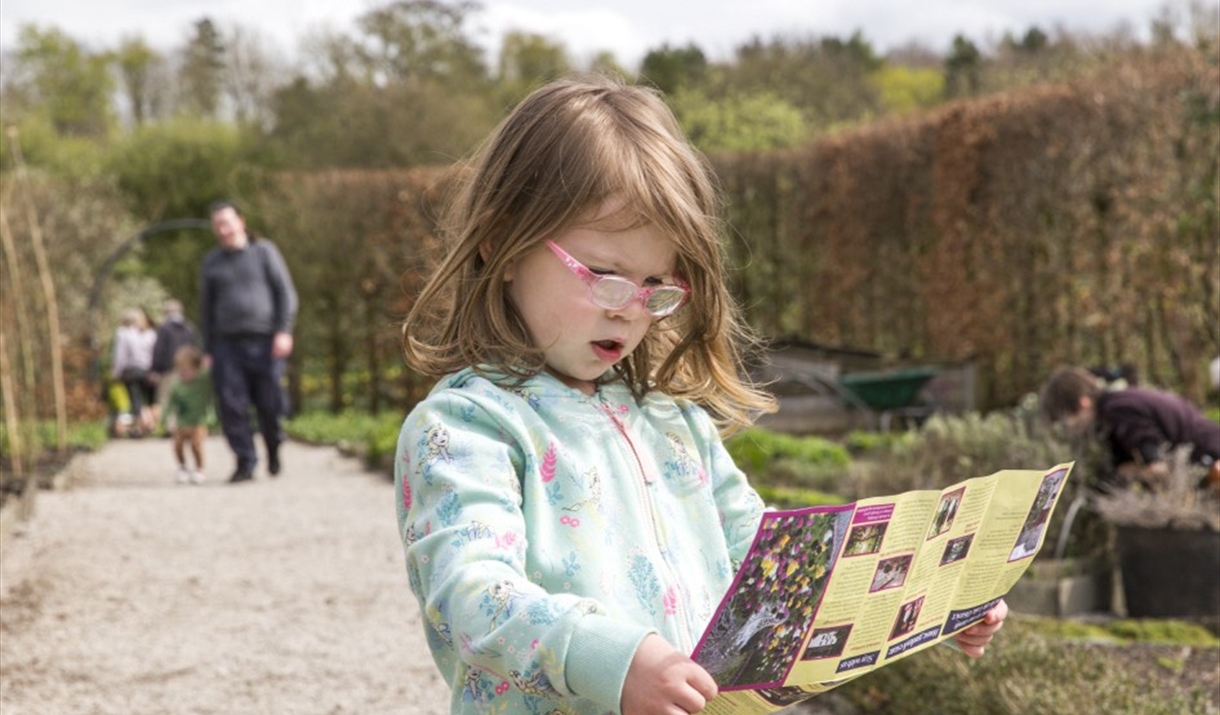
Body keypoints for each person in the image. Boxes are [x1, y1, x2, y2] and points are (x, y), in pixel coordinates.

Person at [394, 75, 1008, 715]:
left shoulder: (674, 422)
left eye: (656, 283)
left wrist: (920, 602)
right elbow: (470, 594)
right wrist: (617, 660)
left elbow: (770, 572)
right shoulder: (467, 427)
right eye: (604, 276)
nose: (632, 310)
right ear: (502, 244)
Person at [200, 199, 298, 483]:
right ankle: (245, 461)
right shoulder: (212, 263)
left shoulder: (264, 252)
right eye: (217, 225)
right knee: (231, 405)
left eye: (226, 222)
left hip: (266, 341)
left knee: (270, 403)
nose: (223, 229)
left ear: (240, 222)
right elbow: (206, 310)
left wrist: (284, 330)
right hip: (227, 345)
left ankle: (273, 447)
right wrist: (208, 348)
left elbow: (286, 293)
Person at [1040, 365, 1220, 489]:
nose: (1068, 428)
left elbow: (1157, 468)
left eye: (1066, 419)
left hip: (1211, 462)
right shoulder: (1114, 407)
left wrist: (1134, 473)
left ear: (1083, 403)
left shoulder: (1120, 411)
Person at [162, 346, 212, 485]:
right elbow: (170, 402)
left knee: (196, 445)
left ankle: (199, 469)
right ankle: (182, 467)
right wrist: (164, 417)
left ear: (197, 369)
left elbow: (210, 372)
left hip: (199, 421)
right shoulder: (177, 385)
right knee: (177, 445)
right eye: (180, 370)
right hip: (182, 421)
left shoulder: (203, 382)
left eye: (186, 370)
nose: (182, 373)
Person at [149, 298, 199, 433]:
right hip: (188, 369)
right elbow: (194, 349)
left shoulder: (164, 328)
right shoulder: (190, 328)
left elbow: (159, 350)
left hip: (168, 370)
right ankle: (186, 426)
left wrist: (155, 369)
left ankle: (171, 427)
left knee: (167, 398)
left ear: (167, 312)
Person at [111, 307, 158, 437]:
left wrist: (116, 371)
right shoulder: (151, 334)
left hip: (131, 371)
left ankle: (141, 426)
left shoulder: (123, 333)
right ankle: (148, 424)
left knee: (135, 400)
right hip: (148, 371)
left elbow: (120, 355)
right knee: (147, 400)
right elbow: (155, 354)